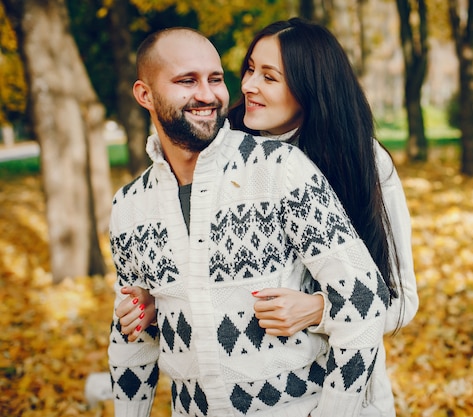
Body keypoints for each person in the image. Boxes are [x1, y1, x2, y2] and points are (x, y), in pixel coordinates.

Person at [115, 18, 419, 416]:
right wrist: (161, 299)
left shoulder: (361, 162)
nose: (248, 86)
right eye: (249, 69)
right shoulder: (216, 149)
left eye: (269, 77)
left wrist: (319, 309)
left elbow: (396, 299)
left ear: (309, 88)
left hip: (335, 389)